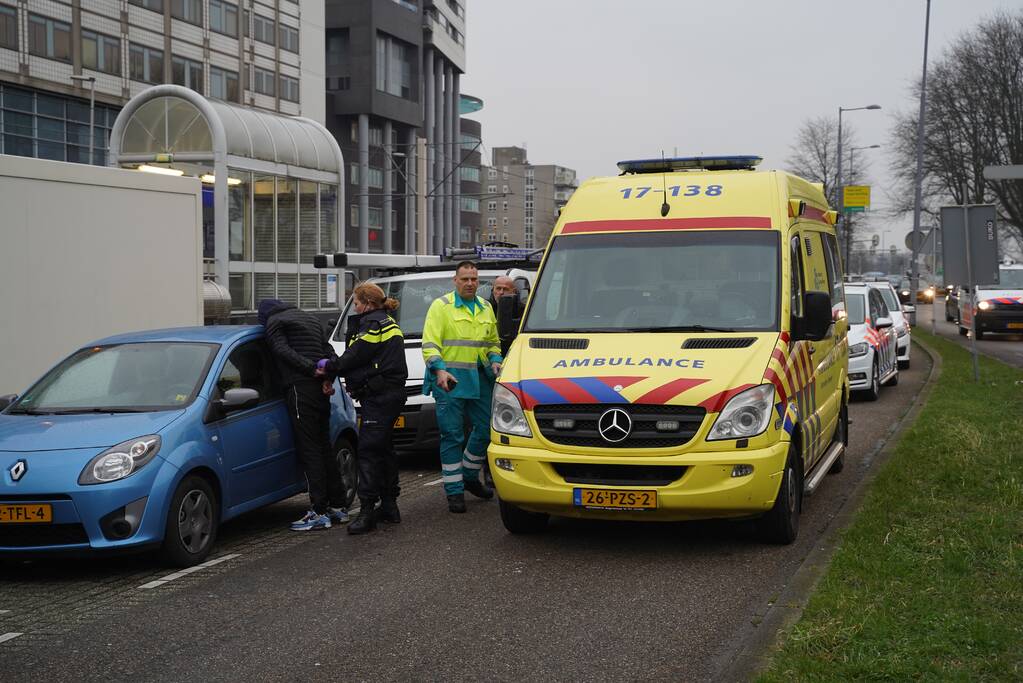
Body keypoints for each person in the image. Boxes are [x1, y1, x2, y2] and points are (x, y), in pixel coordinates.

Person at [318, 283, 408, 535]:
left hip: (380, 397)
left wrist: (328, 367)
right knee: (384, 449)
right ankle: (389, 506)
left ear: (367, 303)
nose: (355, 307)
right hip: (385, 396)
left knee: (368, 451)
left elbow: (355, 355)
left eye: (356, 303)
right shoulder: (384, 321)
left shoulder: (374, 323)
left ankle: (367, 510)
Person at [258, 298, 348, 532]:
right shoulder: (310, 319)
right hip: (321, 391)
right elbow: (328, 352)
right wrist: (328, 378)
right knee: (324, 447)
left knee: (310, 450)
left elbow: (280, 350)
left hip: (299, 389)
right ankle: (338, 506)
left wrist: (310, 369)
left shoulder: (274, 322)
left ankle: (318, 511)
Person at [422, 261, 502, 513]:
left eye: (474, 279)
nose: (470, 283)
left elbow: (492, 342)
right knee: (452, 435)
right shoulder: (441, 306)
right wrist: (439, 368)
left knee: (489, 429)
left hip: (480, 378)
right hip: (450, 380)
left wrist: (496, 360)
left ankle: (467, 475)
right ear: (455, 281)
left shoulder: (486, 307)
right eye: (465, 279)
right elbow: (430, 343)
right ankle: (454, 492)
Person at [488, 275, 526, 357]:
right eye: (498, 288)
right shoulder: (486, 309)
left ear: (514, 291)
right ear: (493, 290)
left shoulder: (523, 312)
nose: (501, 292)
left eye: (505, 289)